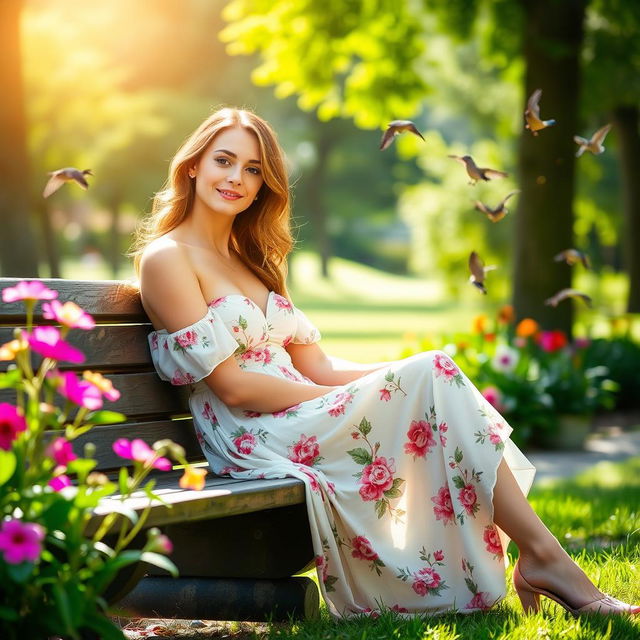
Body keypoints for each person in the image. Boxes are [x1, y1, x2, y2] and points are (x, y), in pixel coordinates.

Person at [130, 107, 639, 618]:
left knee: (433, 371)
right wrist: (371, 394)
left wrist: (402, 378)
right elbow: (235, 387)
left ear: (266, 184)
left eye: (254, 168)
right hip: (252, 433)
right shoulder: (168, 258)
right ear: (194, 164)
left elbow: (321, 366)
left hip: (299, 410)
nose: (237, 178)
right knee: (428, 377)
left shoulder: (250, 259)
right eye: (224, 160)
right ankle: (545, 560)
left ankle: (542, 557)